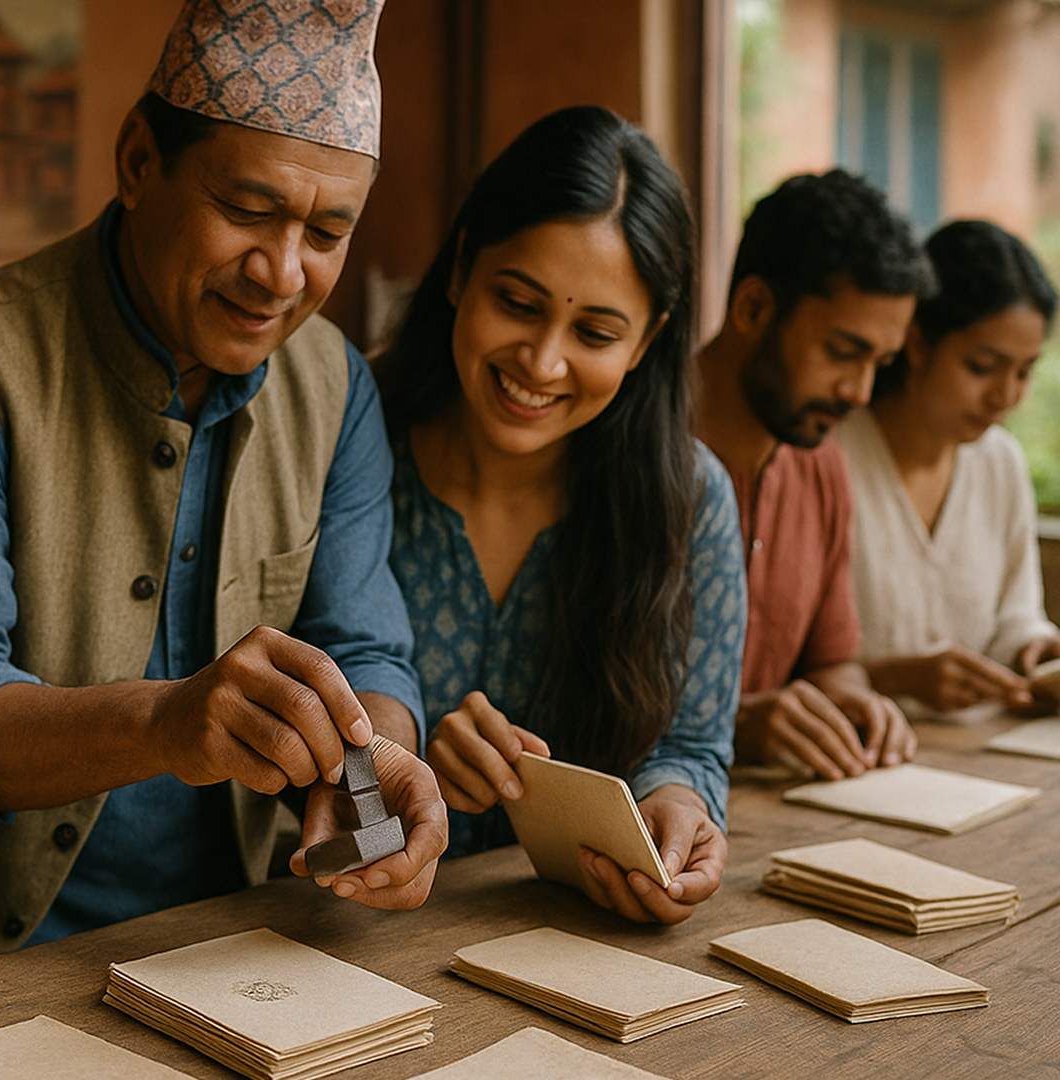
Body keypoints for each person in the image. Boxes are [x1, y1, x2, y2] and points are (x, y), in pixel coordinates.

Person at [0, 0, 448, 956]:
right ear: (139, 160)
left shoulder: (338, 385)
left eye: (327, 233)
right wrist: (168, 720)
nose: (281, 274)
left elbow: (367, 654)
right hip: (10, 950)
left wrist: (377, 763)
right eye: (248, 209)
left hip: (253, 937)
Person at [377, 106, 742, 925]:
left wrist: (677, 811)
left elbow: (689, 747)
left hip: (571, 945)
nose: (542, 362)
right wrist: (389, 759)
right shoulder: (350, 444)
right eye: (517, 300)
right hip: (334, 941)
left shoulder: (690, 500)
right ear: (462, 267)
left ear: (647, 341)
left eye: (596, 331)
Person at [696, 170, 934, 780]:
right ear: (752, 308)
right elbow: (571, 713)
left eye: (879, 363)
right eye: (842, 351)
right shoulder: (625, 453)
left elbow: (831, 660)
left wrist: (852, 701)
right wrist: (738, 727)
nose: (859, 391)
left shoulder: (823, 464)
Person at [839, 219, 1060, 715]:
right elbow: (789, 659)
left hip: (979, 750)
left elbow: (1015, 614)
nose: (1006, 396)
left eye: (1024, 372)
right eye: (982, 367)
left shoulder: (1000, 461)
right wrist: (895, 678)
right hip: (858, 754)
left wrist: (1034, 647)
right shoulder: (831, 457)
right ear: (917, 343)